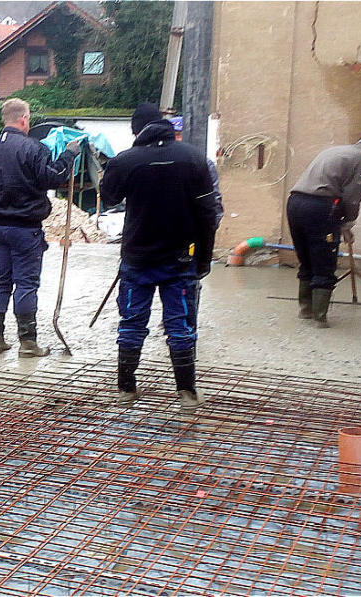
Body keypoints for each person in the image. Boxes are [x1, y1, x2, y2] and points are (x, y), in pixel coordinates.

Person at [99, 102, 220, 411]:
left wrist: (114, 169)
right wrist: (204, 258)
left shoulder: (126, 160)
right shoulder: (194, 159)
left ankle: (126, 389)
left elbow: (109, 197)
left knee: (131, 322)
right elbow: (208, 213)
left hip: (137, 258)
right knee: (180, 325)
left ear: (137, 130)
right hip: (181, 259)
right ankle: (187, 393)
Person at [0, 98, 79, 358]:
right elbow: (52, 177)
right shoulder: (33, 148)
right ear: (23, 119)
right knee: (26, 284)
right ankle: (28, 343)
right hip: (24, 228)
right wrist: (69, 155)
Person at [286, 131, 361, 327]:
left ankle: (305, 310)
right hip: (320, 207)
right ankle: (320, 318)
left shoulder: (335, 151)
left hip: (295, 203)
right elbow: (353, 197)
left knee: (306, 258)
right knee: (324, 261)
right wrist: (348, 222)